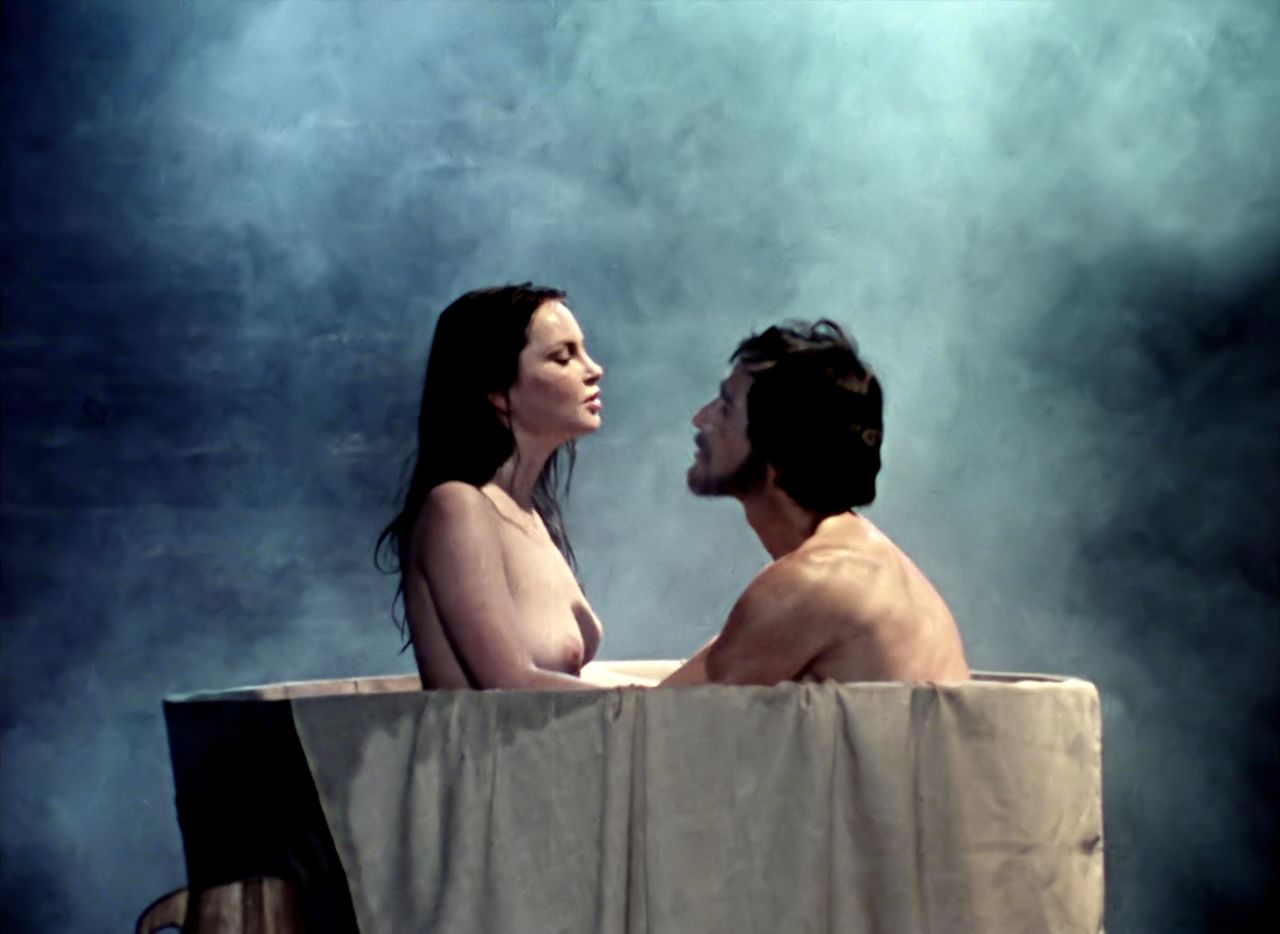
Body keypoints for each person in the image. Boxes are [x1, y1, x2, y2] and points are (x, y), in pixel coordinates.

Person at [661, 319, 970, 686]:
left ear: (778, 441)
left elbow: (662, 717)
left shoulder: (811, 585)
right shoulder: (853, 564)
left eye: (725, 407)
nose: (701, 418)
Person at [377, 284, 638, 689]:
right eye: (563, 357)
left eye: (583, 351)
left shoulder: (527, 514)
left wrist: (705, 673)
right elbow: (508, 684)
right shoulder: (457, 507)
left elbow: (568, 680)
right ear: (498, 392)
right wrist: (656, 699)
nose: (594, 369)